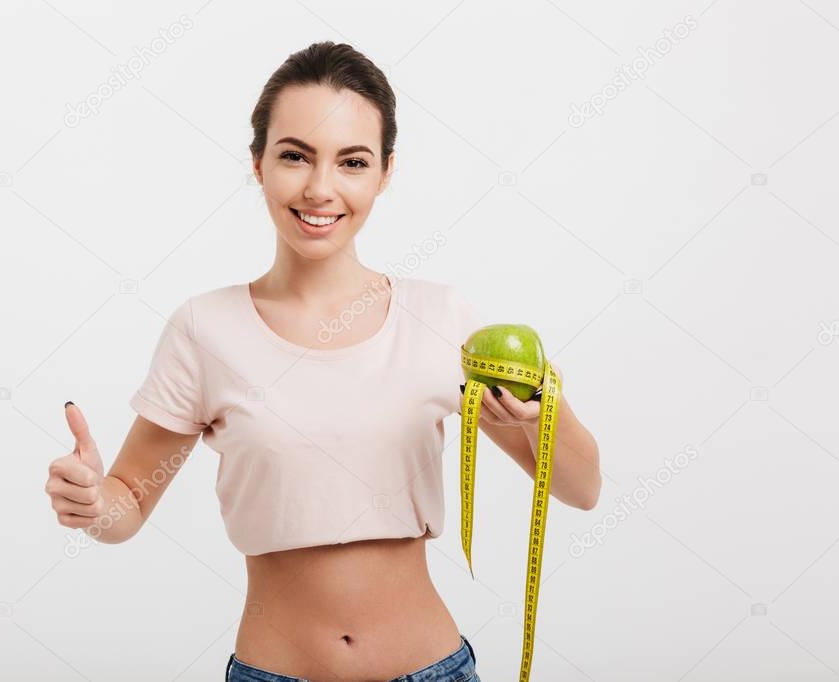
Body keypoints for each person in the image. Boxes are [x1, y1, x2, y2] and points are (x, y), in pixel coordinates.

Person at [44, 41, 602, 682]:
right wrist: (92, 504)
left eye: (353, 162)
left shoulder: (443, 320)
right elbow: (128, 506)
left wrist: (531, 419)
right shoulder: (204, 329)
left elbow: (580, 490)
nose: (320, 188)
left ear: (386, 172)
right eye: (294, 157)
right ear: (257, 163)